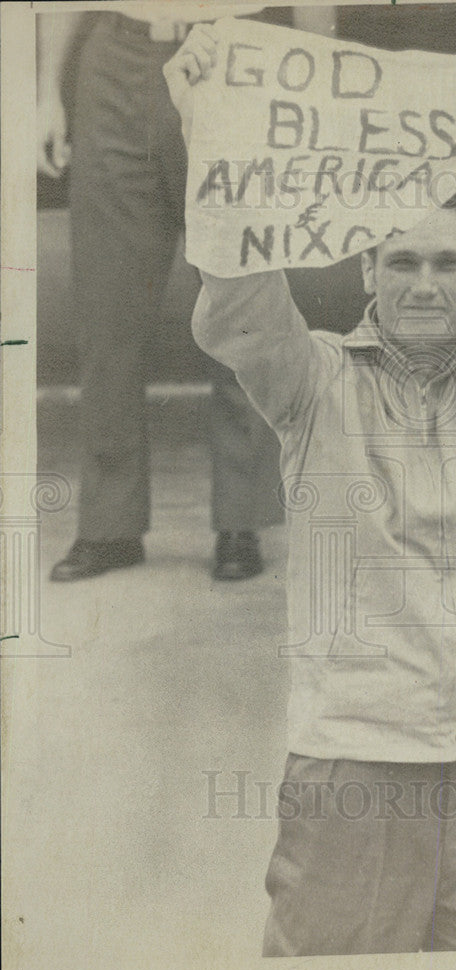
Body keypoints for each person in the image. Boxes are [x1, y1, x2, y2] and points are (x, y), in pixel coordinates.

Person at [166, 24, 456, 955]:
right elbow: (240, 308)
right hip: (356, 770)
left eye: (448, 263)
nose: (422, 283)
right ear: (366, 272)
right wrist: (218, 142)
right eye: (400, 262)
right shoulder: (312, 382)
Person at [37, 7, 281, 582]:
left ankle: (239, 520)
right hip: (117, 56)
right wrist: (47, 91)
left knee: (239, 298)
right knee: (106, 305)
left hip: (233, 54)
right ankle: (109, 525)